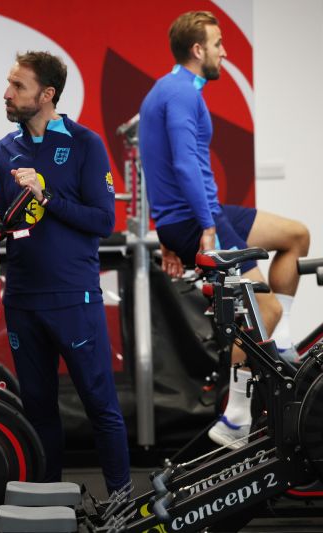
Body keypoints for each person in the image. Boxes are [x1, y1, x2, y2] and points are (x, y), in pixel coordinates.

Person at [138, 11, 310, 449]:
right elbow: (180, 164)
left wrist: (175, 229)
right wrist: (203, 228)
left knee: (295, 235)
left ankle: (284, 339)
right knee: (261, 311)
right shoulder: (180, 93)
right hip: (199, 219)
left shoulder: (171, 89)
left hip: (199, 215)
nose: (224, 52)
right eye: (218, 44)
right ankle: (235, 417)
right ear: (198, 50)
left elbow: (163, 163)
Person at [0, 51, 130, 494]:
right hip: (22, 300)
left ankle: (121, 500)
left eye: (17, 86)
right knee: (38, 409)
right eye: (8, 83)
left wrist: (48, 197)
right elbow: (9, 215)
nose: (7, 94)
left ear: (47, 94)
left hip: (73, 299)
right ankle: (46, 502)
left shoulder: (85, 143)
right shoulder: (6, 149)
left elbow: (104, 222)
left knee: (101, 406)